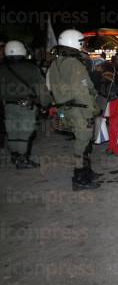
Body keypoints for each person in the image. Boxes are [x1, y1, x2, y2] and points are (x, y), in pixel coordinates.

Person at [48, 30, 101, 190]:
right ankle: (79, 178)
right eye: (81, 42)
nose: (83, 45)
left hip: (67, 107)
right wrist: (91, 110)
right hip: (80, 109)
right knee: (82, 143)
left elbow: (50, 87)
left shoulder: (55, 62)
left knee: (83, 141)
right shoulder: (74, 63)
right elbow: (81, 90)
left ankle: (87, 171)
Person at [0, 41, 52, 168]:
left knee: (12, 131)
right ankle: (23, 159)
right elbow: (41, 89)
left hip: (8, 106)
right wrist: (46, 104)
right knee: (25, 132)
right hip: (26, 106)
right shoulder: (31, 68)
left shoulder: (2, 68)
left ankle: (15, 156)